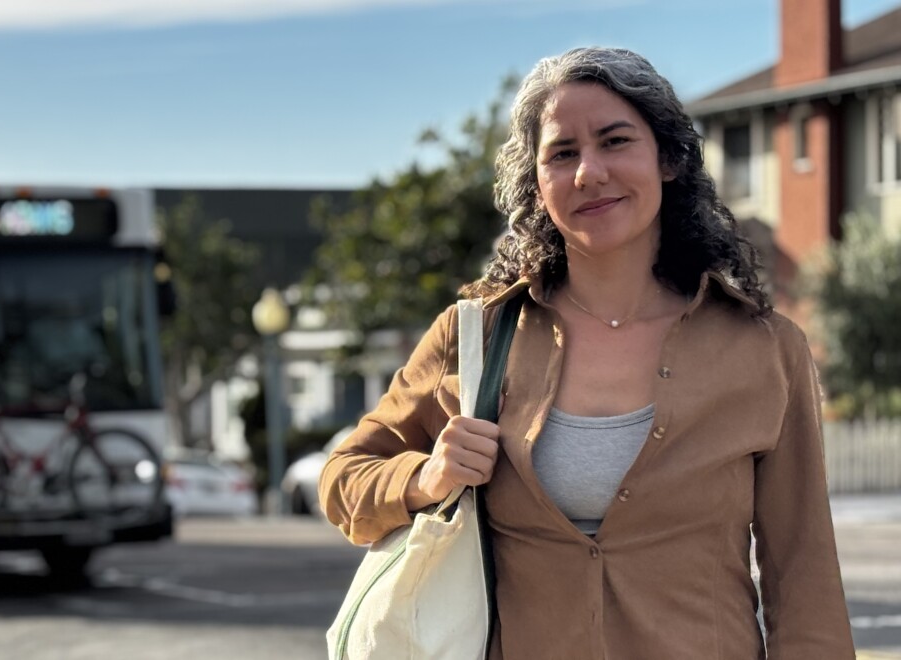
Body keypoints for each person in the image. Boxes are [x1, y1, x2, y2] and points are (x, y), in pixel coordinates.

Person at [319, 47, 855, 659]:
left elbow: (803, 572)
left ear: (670, 158)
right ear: (536, 180)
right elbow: (343, 480)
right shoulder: (476, 335)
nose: (588, 173)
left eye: (615, 140)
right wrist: (426, 476)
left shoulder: (764, 347)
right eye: (562, 153)